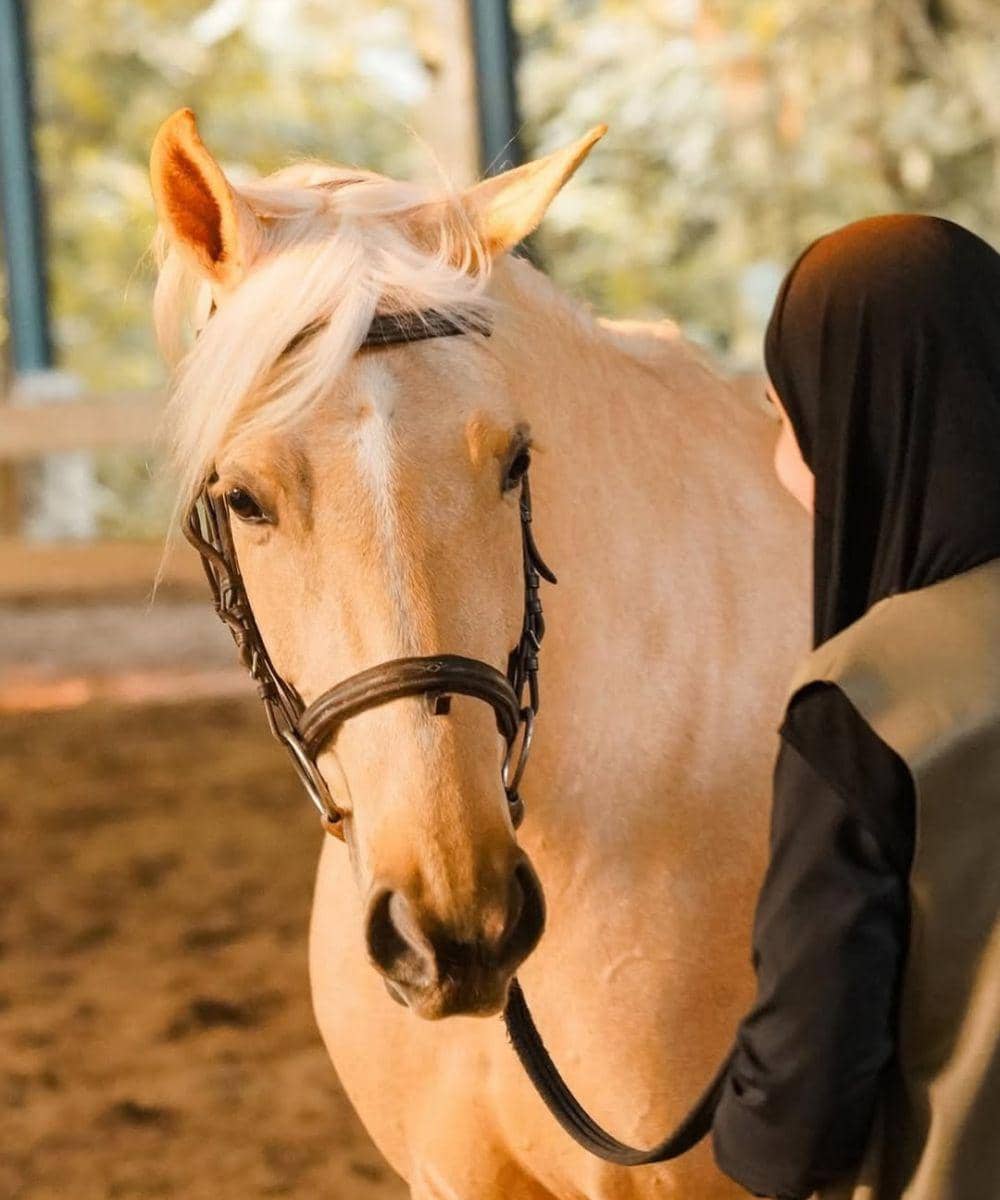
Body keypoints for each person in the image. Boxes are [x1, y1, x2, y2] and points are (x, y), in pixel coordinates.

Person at [710, 214, 1000, 1199]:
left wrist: (741, 1117)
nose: (779, 451)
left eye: (785, 411)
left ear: (859, 425)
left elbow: (801, 1126)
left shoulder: (860, 704)